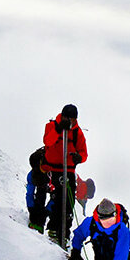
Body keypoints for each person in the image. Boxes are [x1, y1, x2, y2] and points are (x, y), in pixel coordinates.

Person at [38, 104, 87, 245]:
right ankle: (53, 229)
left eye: (72, 119)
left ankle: (64, 233)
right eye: (68, 118)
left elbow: (84, 153)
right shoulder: (52, 126)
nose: (70, 122)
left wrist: (79, 158)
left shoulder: (77, 133)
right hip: (54, 169)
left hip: (69, 170)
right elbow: (48, 141)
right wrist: (59, 129)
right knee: (58, 199)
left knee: (69, 202)